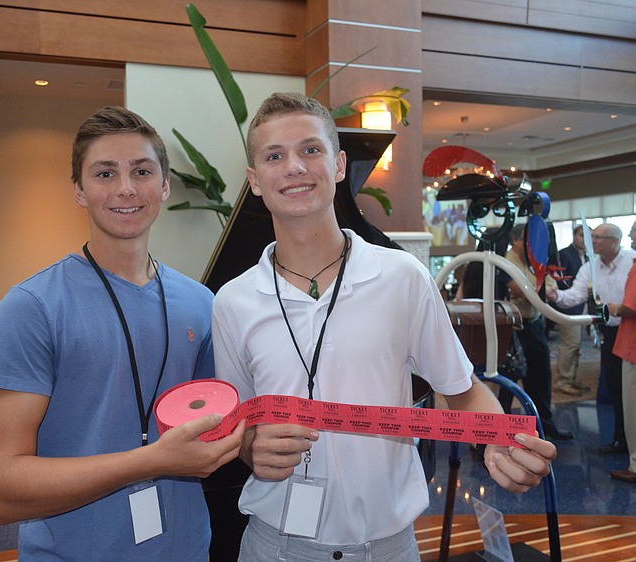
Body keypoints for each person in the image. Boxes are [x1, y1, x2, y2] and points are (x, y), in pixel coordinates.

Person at [211, 92, 556, 561]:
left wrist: (499, 437)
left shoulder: (402, 278)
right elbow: (240, 424)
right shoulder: (232, 301)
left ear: (338, 165)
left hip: (387, 547)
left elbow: (462, 389)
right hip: (274, 545)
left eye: (310, 149)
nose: (294, 167)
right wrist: (252, 446)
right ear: (255, 180)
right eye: (275, 156)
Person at [0, 106, 245, 561]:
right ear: (79, 190)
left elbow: (212, 433)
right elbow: (0, 492)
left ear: (163, 186)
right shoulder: (33, 307)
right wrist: (151, 460)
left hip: (187, 550)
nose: (125, 188)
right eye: (104, 173)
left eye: (141, 171)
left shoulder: (202, 303)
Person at [548, 223, 636, 455]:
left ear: (615, 241)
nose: (593, 241)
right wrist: (556, 295)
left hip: (632, 328)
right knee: (617, 387)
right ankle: (623, 440)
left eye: (598, 237)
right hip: (610, 333)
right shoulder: (590, 267)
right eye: (592, 236)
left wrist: (620, 309)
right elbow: (574, 296)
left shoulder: (631, 261)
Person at [501, 223, 573, 440]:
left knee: (541, 376)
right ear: (516, 240)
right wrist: (539, 289)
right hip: (513, 328)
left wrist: (539, 289)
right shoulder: (504, 262)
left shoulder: (536, 261)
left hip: (535, 324)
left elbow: (550, 285)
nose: (532, 245)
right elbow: (519, 290)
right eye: (527, 240)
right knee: (509, 379)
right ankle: (501, 430)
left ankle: (545, 425)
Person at [607, 223, 636, 482]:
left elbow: (630, 307)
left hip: (633, 346)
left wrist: (614, 307)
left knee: (632, 407)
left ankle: (635, 465)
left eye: (634, 231)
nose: (630, 236)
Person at [552, 226, 590, 395]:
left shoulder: (588, 256)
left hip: (583, 306)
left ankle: (571, 378)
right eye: (582, 235)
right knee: (571, 344)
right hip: (567, 306)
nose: (585, 239)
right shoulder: (565, 254)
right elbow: (560, 282)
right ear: (574, 236)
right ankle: (562, 381)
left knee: (577, 345)